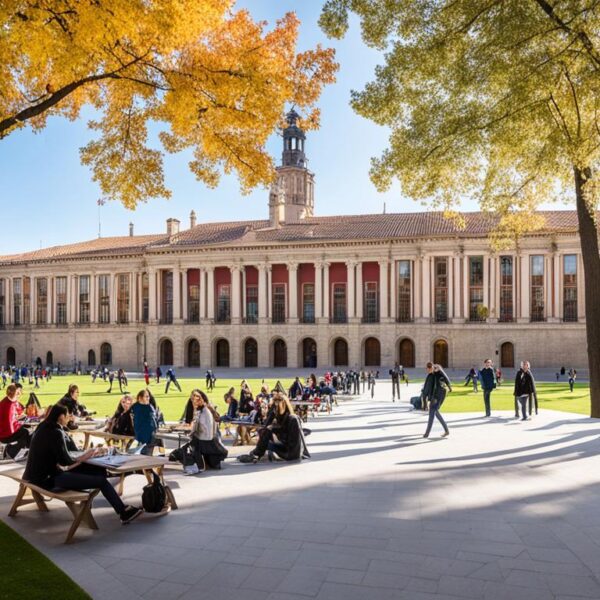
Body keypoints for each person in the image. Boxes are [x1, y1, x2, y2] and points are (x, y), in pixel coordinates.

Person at [23, 403, 142, 524]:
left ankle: (88, 505)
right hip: (49, 480)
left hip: (37, 476)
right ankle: (123, 512)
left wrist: (84, 457)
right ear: (61, 416)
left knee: (99, 470)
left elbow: (60, 458)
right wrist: (86, 455)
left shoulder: (43, 426)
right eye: (68, 415)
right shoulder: (56, 432)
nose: (70, 418)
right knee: (101, 481)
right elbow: (65, 462)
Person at [239, 393, 304, 463]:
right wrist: (272, 414)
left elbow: (291, 441)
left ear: (283, 404)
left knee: (267, 434)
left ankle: (255, 454)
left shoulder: (292, 419)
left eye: (277, 406)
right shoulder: (284, 415)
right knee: (265, 434)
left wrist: (273, 428)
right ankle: (255, 453)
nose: (276, 409)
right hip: (286, 447)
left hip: (291, 453)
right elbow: (267, 424)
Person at [189, 390, 227, 471]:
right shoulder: (206, 409)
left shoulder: (203, 411)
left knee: (191, 440)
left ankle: (198, 462)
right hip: (211, 440)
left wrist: (190, 427)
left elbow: (194, 429)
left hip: (205, 441)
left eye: (194, 400)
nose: (193, 402)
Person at [0, 384, 31, 460]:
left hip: (4, 431)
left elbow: (19, 412)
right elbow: (9, 427)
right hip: (5, 435)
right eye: (18, 393)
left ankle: (22, 451)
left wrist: (20, 419)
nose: (19, 396)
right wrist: (20, 423)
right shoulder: (8, 406)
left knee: (25, 430)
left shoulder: (8, 401)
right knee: (25, 432)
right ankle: (13, 451)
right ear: (15, 393)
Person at [422, 363, 451, 438]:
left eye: (429, 368)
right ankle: (446, 430)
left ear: (432, 368)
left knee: (432, 413)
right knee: (435, 412)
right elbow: (426, 389)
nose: (427, 370)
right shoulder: (431, 376)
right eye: (427, 368)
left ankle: (427, 433)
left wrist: (440, 370)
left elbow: (446, 379)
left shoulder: (437, 374)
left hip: (437, 396)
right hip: (435, 396)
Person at [131, 389, 159, 455]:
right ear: (140, 398)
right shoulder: (135, 407)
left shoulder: (150, 406)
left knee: (149, 454)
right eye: (146, 396)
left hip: (151, 435)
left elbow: (154, 420)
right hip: (140, 434)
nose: (148, 398)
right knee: (140, 453)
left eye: (148, 396)